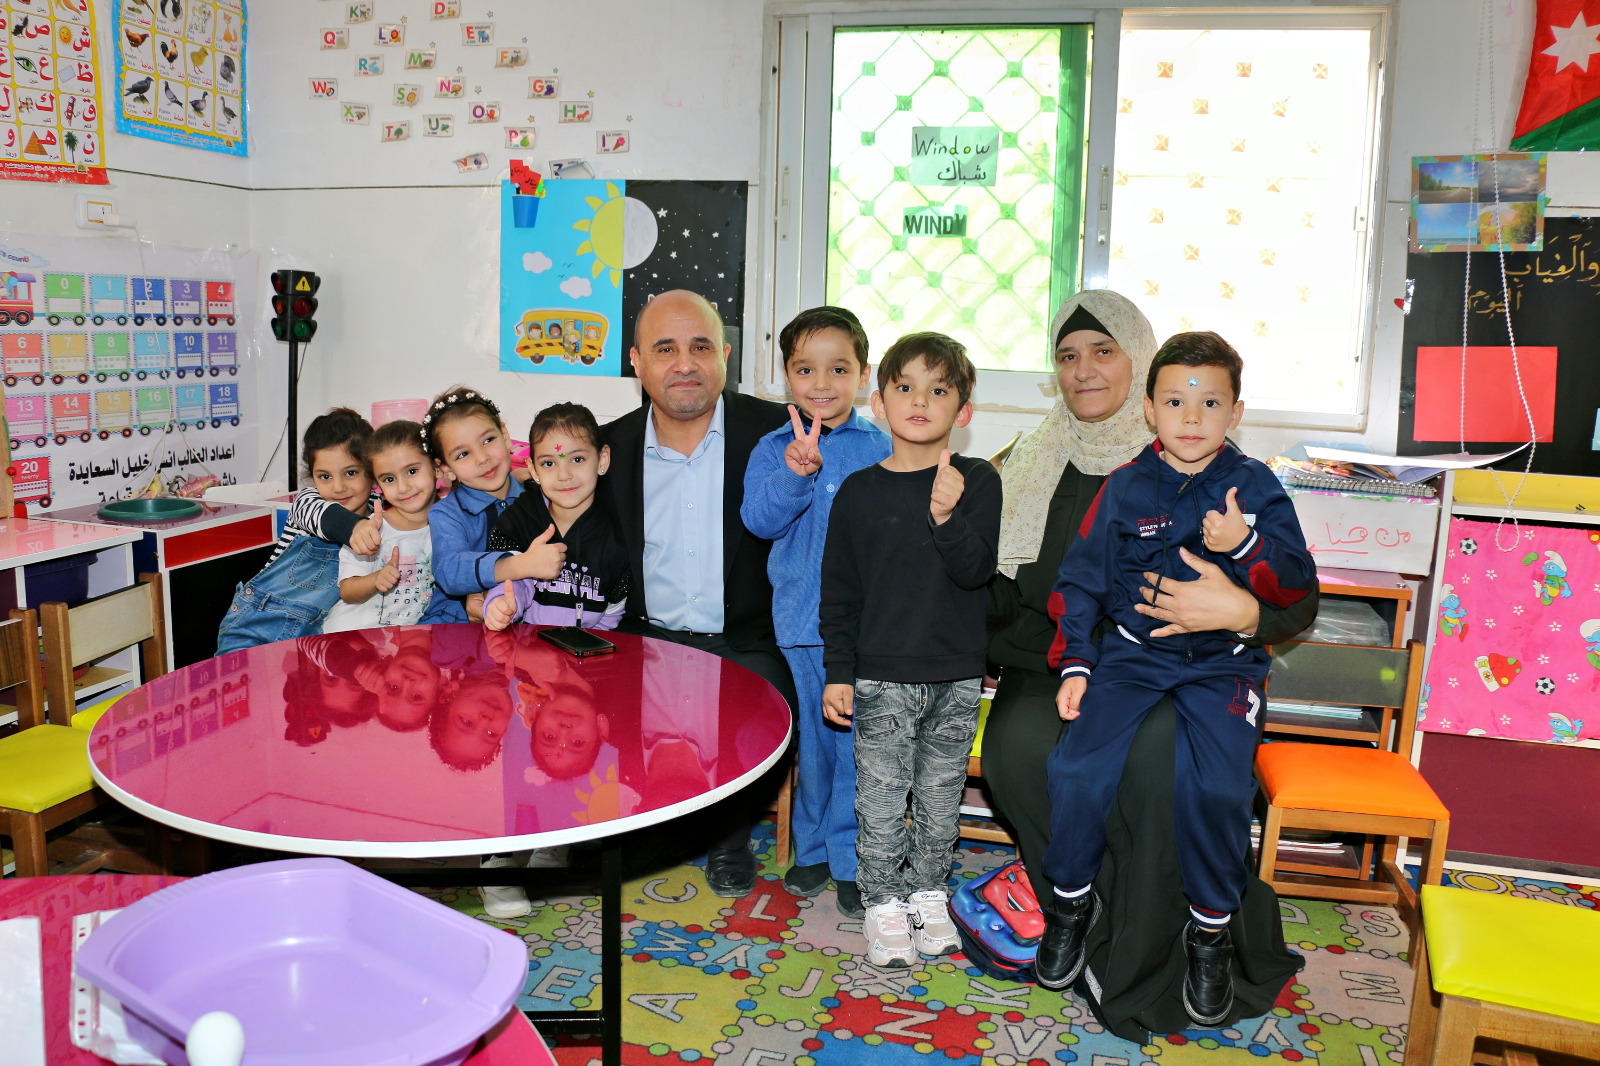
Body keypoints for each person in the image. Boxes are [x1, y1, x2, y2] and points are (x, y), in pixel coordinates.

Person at [983, 289, 1315, 1038]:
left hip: (1207, 666)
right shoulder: (1027, 461)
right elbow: (1028, 589)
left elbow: (1297, 591)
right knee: (1030, 756)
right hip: (1076, 662)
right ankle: (1076, 907)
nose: (1084, 369)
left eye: (1104, 351)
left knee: (1178, 773)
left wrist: (1240, 603)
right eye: (1068, 356)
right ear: (1154, 406)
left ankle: (1173, 946)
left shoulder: (1242, 483)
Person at [600, 289, 795, 898]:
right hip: (643, 637)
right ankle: (646, 812)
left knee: (756, 714)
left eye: (701, 347)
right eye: (665, 349)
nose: (685, 363)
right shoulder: (605, 450)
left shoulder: (776, 434)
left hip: (748, 637)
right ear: (637, 362)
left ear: (725, 357)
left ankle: (728, 837)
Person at [819, 332, 1002, 968]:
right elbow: (840, 593)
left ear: (964, 410)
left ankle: (927, 890)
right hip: (879, 677)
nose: (920, 401)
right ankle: (881, 900)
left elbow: (978, 573)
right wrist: (838, 671)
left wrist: (948, 518)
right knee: (879, 795)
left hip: (956, 675)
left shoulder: (977, 480)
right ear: (878, 402)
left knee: (940, 794)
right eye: (905, 388)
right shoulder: (857, 492)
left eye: (939, 390)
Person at [741, 306, 890, 917]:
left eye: (839, 369)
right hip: (802, 626)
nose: (821, 383)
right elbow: (759, 521)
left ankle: (850, 859)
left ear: (863, 375)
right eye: (805, 369)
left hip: (865, 633)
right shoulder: (771, 447)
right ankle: (812, 850)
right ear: (786, 375)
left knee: (858, 750)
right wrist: (795, 474)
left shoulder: (880, 446)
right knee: (815, 747)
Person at [216, 408, 381, 652]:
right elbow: (328, 518)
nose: (338, 487)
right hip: (257, 629)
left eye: (351, 473)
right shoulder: (307, 503)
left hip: (315, 644)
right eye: (324, 476)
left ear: (373, 472)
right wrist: (356, 526)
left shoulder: (382, 513)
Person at [418, 387, 565, 624]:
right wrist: (520, 565)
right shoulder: (446, 513)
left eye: (488, 440)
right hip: (454, 627)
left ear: (505, 435)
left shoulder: (539, 497)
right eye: (463, 454)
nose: (482, 458)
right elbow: (450, 571)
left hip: (525, 622)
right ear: (445, 468)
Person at [482, 402, 628, 631]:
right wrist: (500, 606)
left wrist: (592, 643)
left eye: (577, 459)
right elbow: (511, 584)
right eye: (549, 463)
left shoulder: (618, 531)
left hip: (589, 648)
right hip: (525, 645)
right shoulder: (518, 521)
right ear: (533, 470)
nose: (563, 475)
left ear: (602, 460)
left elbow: (614, 609)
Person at [324, 419, 437, 632]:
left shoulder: (452, 526)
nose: (403, 487)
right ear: (378, 485)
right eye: (389, 479)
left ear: (436, 466)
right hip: (352, 636)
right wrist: (376, 579)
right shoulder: (371, 529)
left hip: (402, 642)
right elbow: (347, 590)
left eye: (412, 471)